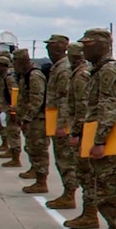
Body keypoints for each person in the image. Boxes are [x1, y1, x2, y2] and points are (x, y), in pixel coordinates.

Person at [75, 27, 116, 229]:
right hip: (103, 138)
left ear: (102, 44)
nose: (83, 49)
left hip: (110, 140)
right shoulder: (97, 70)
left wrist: (99, 141)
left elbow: (109, 107)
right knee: (103, 190)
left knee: (111, 191)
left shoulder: (109, 70)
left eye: (88, 44)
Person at [63, 43, 99, 229]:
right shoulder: (80, 73)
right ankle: (88, 213)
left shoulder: (81, 75)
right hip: (86, 130)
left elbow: (82, 107)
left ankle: (90, 214)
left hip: (86, 132)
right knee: (84, 173)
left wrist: (76, 131)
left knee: (87, 174)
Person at [43, 34, 78, 211]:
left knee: (66, 160)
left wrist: (62, 125)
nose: (50, 50)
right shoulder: (58, 67)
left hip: (62, 122)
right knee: (61, 159)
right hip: (56, 118)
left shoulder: (63, 69)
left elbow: (65, 98)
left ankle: (69, 194)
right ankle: (67, 192)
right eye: (49, 47)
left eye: (54, 47)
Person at [10, 49, 49, 194]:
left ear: (22, 61)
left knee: (39, 150)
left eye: (15, 61)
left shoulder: (34, 75)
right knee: (32, 148)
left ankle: (41, 181)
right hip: (31, 119)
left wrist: (27, 117)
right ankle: (36, 173)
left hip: (37, 120)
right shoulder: (25, 75)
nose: (14, 64)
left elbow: (36, 99)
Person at [0, 55, 20, 163]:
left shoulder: (9, 77)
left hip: (11, 108)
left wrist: (13, 111)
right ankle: (11, 150)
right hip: (5, 107)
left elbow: (14, 94)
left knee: (13, 131)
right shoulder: (3, 76)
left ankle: (15, 157)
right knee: (8, 129)